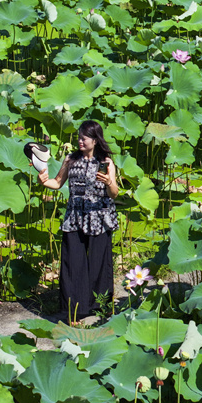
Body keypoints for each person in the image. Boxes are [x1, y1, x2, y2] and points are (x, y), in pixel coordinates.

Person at [38, 121, 118, 322]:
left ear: (95, 139)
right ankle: (74, 310)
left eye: (84, 138)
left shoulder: (106, 162)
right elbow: (56, 183)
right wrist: (42, 180)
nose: (80, 141)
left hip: (99, 216)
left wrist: (109, 182)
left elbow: (114, 193)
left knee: (99, 263)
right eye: (79, 137)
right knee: (73, 263)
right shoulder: (70, 159)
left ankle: (102, 307)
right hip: (74, 216)